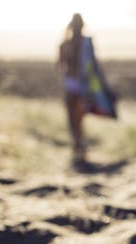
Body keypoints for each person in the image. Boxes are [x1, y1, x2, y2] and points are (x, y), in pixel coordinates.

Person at [59, 13, 87, 163]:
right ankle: (79, 144)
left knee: (72, 116)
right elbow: (93, 66)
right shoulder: (86, 43)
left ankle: (77, 145)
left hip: (71, 83)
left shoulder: (65, 44)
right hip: (83, 83)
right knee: (79, 117)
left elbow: (59, 66)